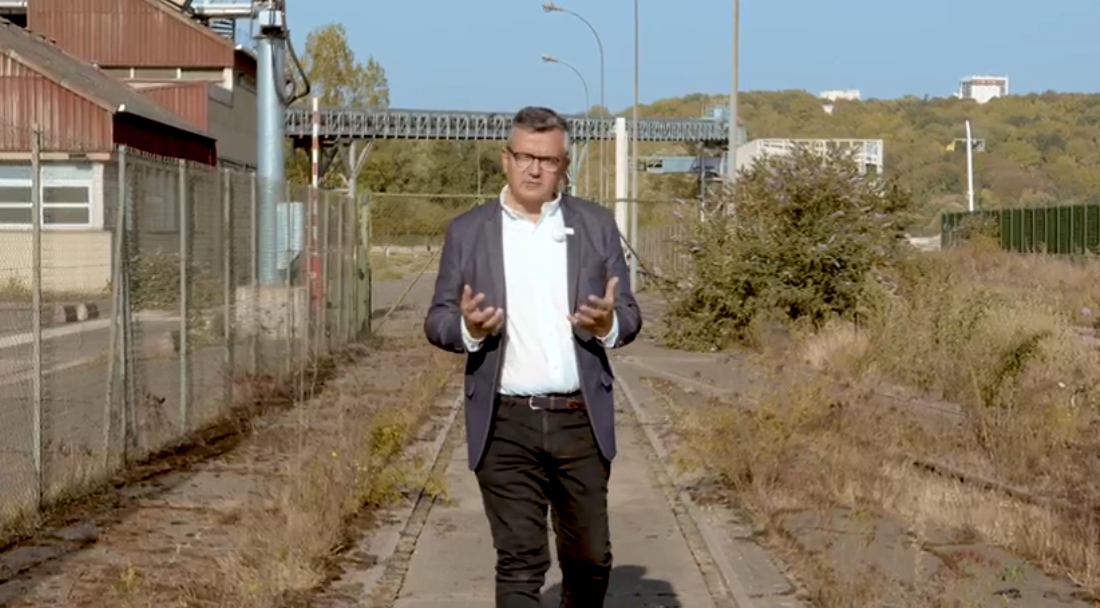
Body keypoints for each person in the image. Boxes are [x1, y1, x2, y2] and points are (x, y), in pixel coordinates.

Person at [423, 106, 642, 607]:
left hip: (579, 420)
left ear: (564, 165)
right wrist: (469, 329)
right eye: (524, 157)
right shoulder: (468, 231)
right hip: (504, 422)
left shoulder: (596, 225)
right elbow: (437, 320)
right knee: (520, 561)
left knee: (590, 559)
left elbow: (629, 315)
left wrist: (607, 325)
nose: (534, 169)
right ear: (506, 158)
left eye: (547, 160)